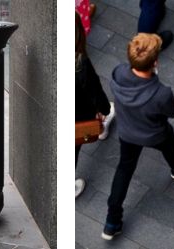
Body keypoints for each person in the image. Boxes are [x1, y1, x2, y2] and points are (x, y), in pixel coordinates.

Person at [101, 33, 174, 240]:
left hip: (127, 133)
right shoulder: (161, 93)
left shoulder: (118, 73)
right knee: (170, 147)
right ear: (155, 62)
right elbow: (172, 113)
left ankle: (111, 221)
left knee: (124, 170)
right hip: (155, 135)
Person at [76, 12, 114, 198]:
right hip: (80, 114)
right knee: (73, 145)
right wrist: (104, 109)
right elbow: (94, 90)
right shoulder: (79, 63)